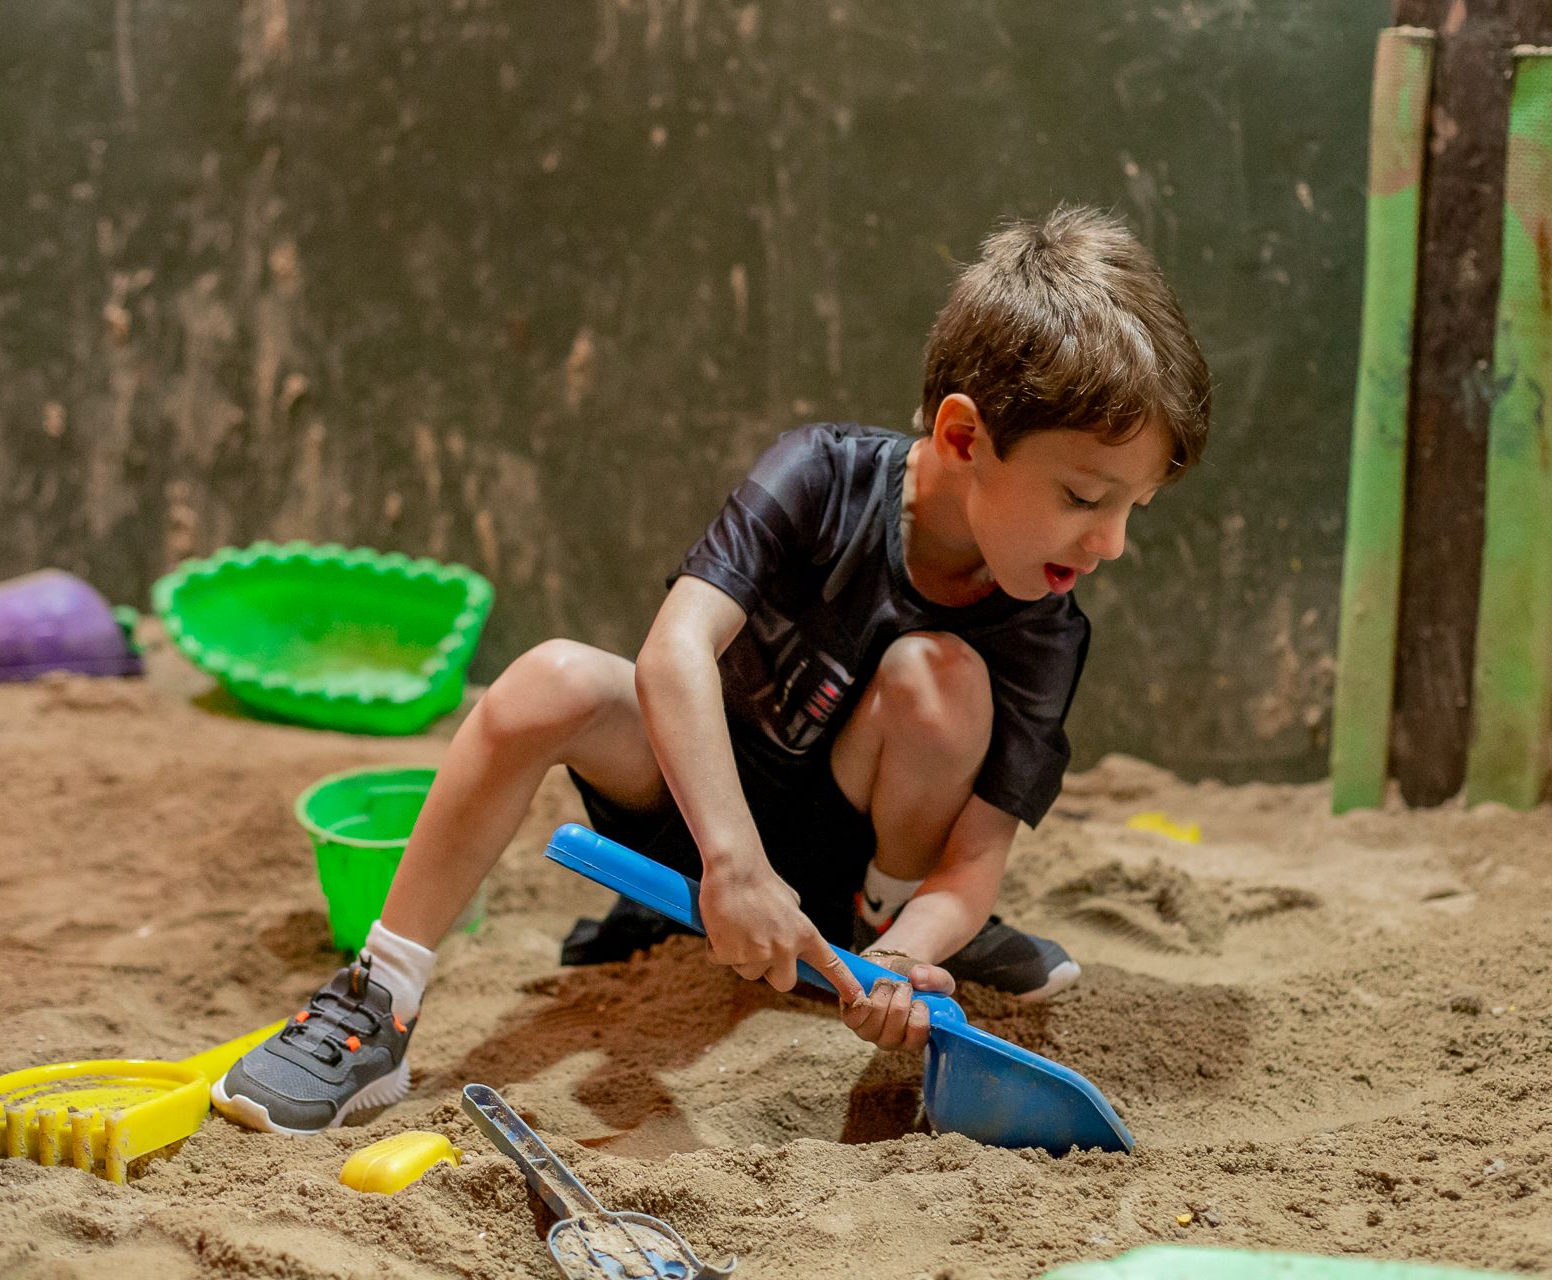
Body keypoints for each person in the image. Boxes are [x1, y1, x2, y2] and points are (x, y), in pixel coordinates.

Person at [212, 205, 1211, 1135]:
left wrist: (909, 955)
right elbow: (673, 648)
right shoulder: (821, 473)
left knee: (936, 677)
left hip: (863, 889)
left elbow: (977, 854)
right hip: (706, 813)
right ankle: (376, 1003)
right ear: (962, 434)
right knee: (548, 677)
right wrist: (733, 860)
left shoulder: (1045, 624)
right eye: (1086, 496)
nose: (1112, 541)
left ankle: (881, 932)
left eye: (1133, 510)